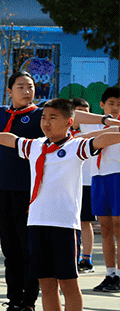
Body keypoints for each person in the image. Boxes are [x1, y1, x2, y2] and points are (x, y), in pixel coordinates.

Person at [0, 71, 111, 311]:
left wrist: (106, 119)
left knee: (28, 251)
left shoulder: (40, 112)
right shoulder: (0, 113)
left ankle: (28, 305)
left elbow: (75, 115)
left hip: (31, 193)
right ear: (10, 91)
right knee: (11, 250)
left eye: (30, 86)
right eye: (21, 87)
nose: (27, 91)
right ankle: (14, 302)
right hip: (3, 189)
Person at [0, 98, 120, 311]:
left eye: (53, 117)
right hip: (37, 223)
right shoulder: (35, 146)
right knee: (46, 284)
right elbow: (11, 139)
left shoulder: (77, 147)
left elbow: (105, 140)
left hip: (64, 225)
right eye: (44, 118)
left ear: (69, 122)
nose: (46, 122)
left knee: (68, 284)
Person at [91, 87, 120, 292]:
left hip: (118, 176)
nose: (115, 108)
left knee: (119, 227)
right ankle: (111, 274)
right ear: (102, 105)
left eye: (119, 105)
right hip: (99, 177)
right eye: (111, 103)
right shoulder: (93, 122)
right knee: (106, 228)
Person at [72, 98, 96, 274]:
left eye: (87, 112)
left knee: (84, 221)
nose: (84, 116)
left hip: (87, 181)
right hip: (66, 183)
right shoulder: (61, 130)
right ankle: (70, 256)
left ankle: (86, 259)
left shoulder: (94, 129)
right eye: (80, 111)